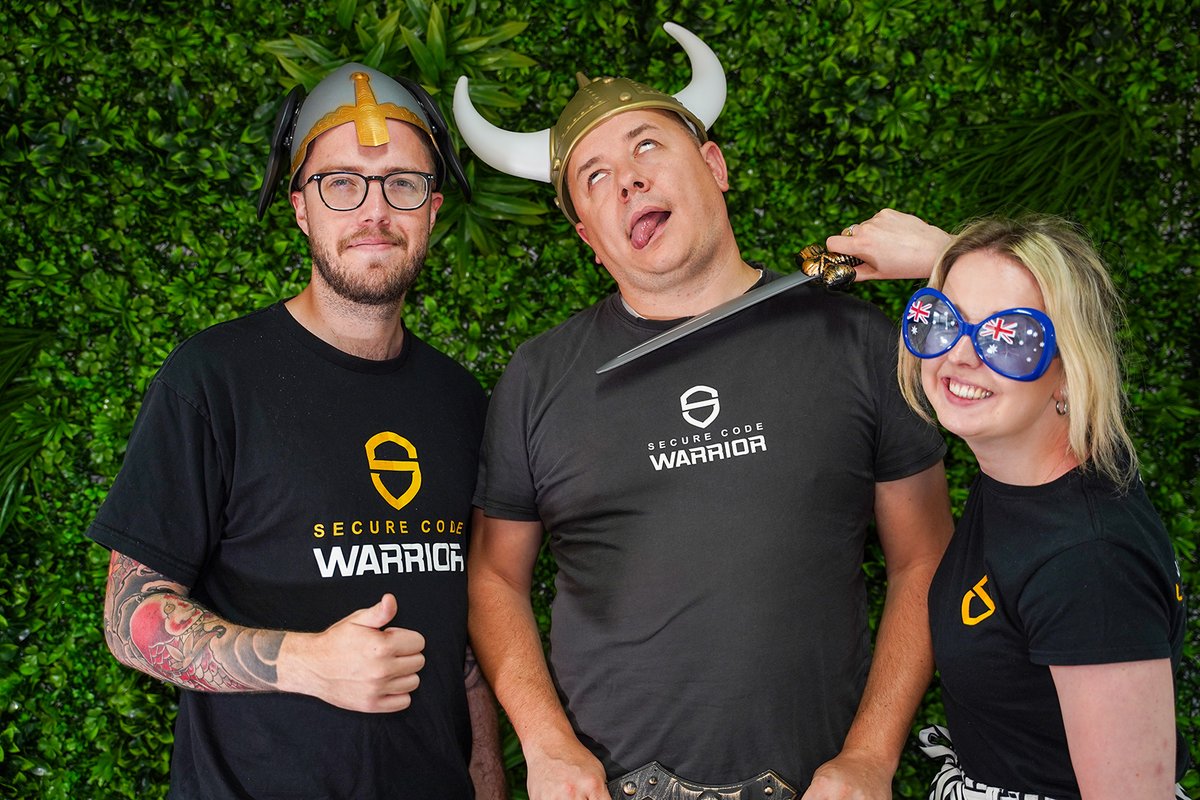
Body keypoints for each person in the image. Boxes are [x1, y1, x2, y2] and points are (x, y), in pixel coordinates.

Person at [452, 24, 955, 799]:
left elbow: (924, 557)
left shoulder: (854, 340)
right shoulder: (539, 376)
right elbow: (493, 575)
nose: (627, 181)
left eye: (647, 147)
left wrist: (870, 755)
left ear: (714, 166)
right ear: (589, 238)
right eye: (594, 177)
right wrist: (547, 749)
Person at [87, 63, 506, 799]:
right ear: (301, 209)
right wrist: (305, 664)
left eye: (402, 184)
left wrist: (487, 783)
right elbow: (131, 619)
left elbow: (462, 647)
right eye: (340, 183)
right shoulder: (213, 378)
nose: (374, 210)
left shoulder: (460, 400)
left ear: (432, 210)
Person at [855, 213, 1190, 799]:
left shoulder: (1089, 561)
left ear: (1070, 371)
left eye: (1009, 338)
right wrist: (946, 259)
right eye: (943, 319)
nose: (961, 354)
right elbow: (1038, 307)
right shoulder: (1038, 465)